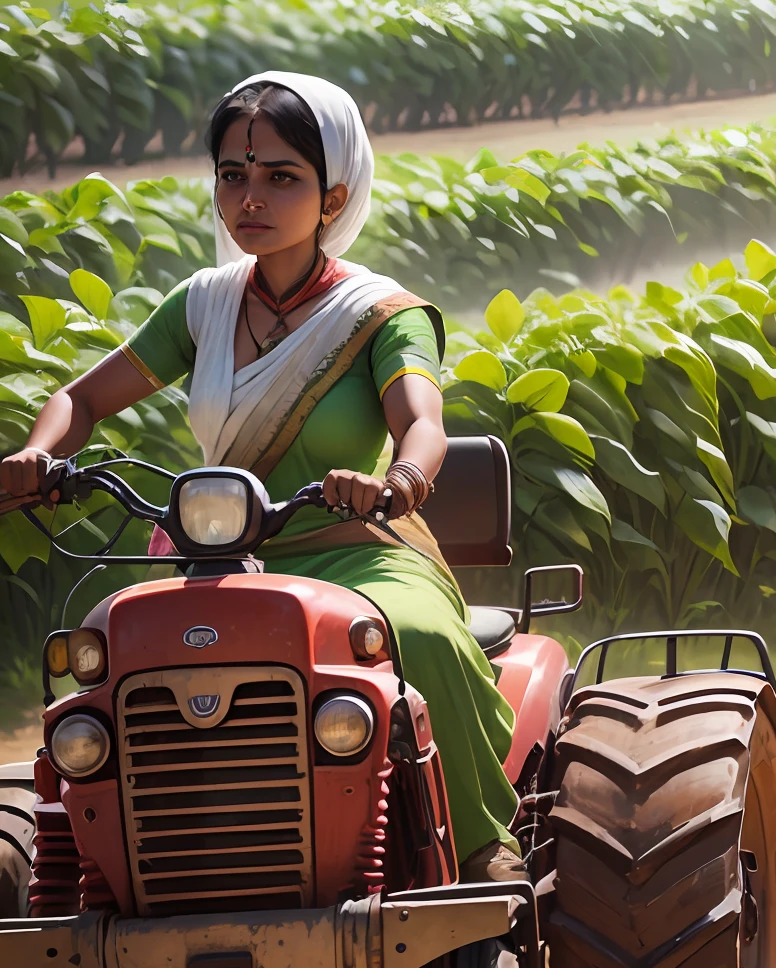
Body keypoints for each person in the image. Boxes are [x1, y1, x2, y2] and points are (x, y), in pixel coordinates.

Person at [0, 72, 523, 882]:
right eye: (233, 176)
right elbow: (82, 398)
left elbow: (422, 422)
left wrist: (401, 482)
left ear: (333, 195)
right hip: (216, 562)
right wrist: (39, 454)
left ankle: (485, 844)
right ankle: (118, 868)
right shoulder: (201, 306)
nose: (252, 197)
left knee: (417, 641)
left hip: (359, 551)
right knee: (103, 654)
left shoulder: (382, 314)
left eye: (282, 177)